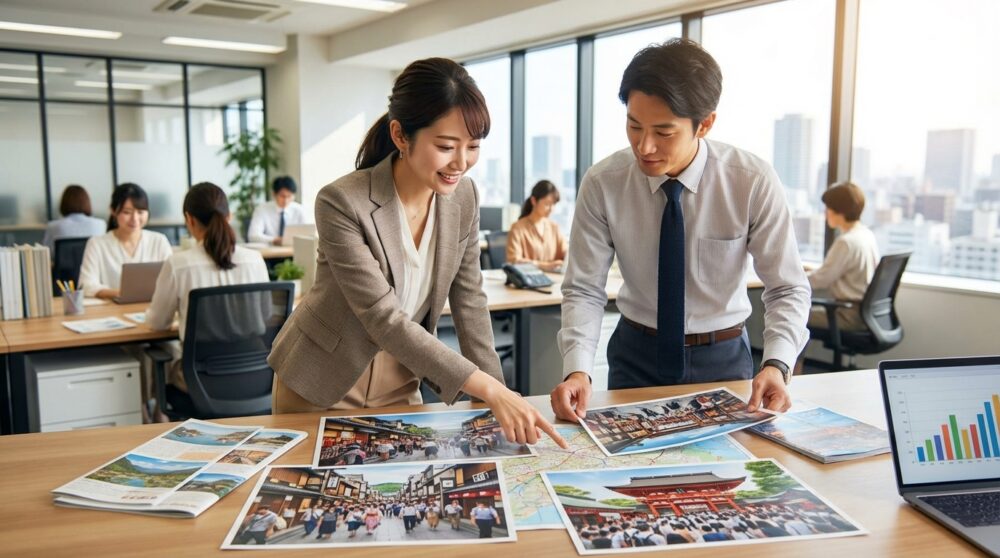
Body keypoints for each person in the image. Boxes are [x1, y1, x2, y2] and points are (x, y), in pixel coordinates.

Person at [267, 57, 565, 450]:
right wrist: (488, 390)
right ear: (400, 135)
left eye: (473, 147)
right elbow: (383, 318)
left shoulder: (465, 198)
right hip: (322, 378)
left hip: (402, 377)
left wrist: (494, 397)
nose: (461, 163)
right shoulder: (342, 201)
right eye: (445, 146)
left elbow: (470, 301)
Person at [551, 38, 809, 421]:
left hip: (722, 359)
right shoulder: (603, 182)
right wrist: (577, 368)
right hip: (634, 355)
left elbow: (786, 285)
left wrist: (777, 363)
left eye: (664, 132)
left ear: (704, 124)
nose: (645, 145)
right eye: (633, 126)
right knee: (633, 473)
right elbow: (585, 288)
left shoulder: (750, 181)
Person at [145, 183, 270, 395]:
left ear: (189, 219)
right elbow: (266, 315)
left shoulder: (178, 264)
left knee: (166, 360)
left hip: (201, 383)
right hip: (256, 375)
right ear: (229, 216)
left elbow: (157, 323)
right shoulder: (255, 260)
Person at [806, 182, 879, 332]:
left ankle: (787, 357)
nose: (825, 213)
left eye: (828, 208)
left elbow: (821, 280)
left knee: (792, 316)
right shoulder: (866, 234)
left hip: (847, 315)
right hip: (867, 314)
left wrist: (789, 279)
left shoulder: (846, 242)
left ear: (839, 211)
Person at [79, 183, 172, 299]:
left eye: (141, 212)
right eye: (127, 212)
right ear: (113, 210)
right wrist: (122, 293)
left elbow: (172, 279)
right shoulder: (97, 244)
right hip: (111, 309)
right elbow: (87, 285)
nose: (135, 219)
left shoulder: (159, 241)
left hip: (151, 306)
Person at [505, 179, 568, 272]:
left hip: (554, 281)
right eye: (547, 204)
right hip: (529, 282)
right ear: (534, 201)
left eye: (553, 204)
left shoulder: (554, 227)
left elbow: (566, 253)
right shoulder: (518, 228)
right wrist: (544, 266)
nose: (551, 209)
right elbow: (514, 261)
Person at [42, 184, 106, 252]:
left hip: (64, 262)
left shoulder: (53, 226)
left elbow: (47, 252)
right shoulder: (100, 224)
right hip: (93, 262)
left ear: (64, 203)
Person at [246, 176, 307, 245]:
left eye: (289, 196)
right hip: (269, 251)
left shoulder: (300, 210)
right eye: (282, 196)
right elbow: (253, 235)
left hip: (294, 251)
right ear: (274, 194)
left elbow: (308, 234)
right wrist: (274, 240)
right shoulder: (262, 209)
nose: (286, 200)